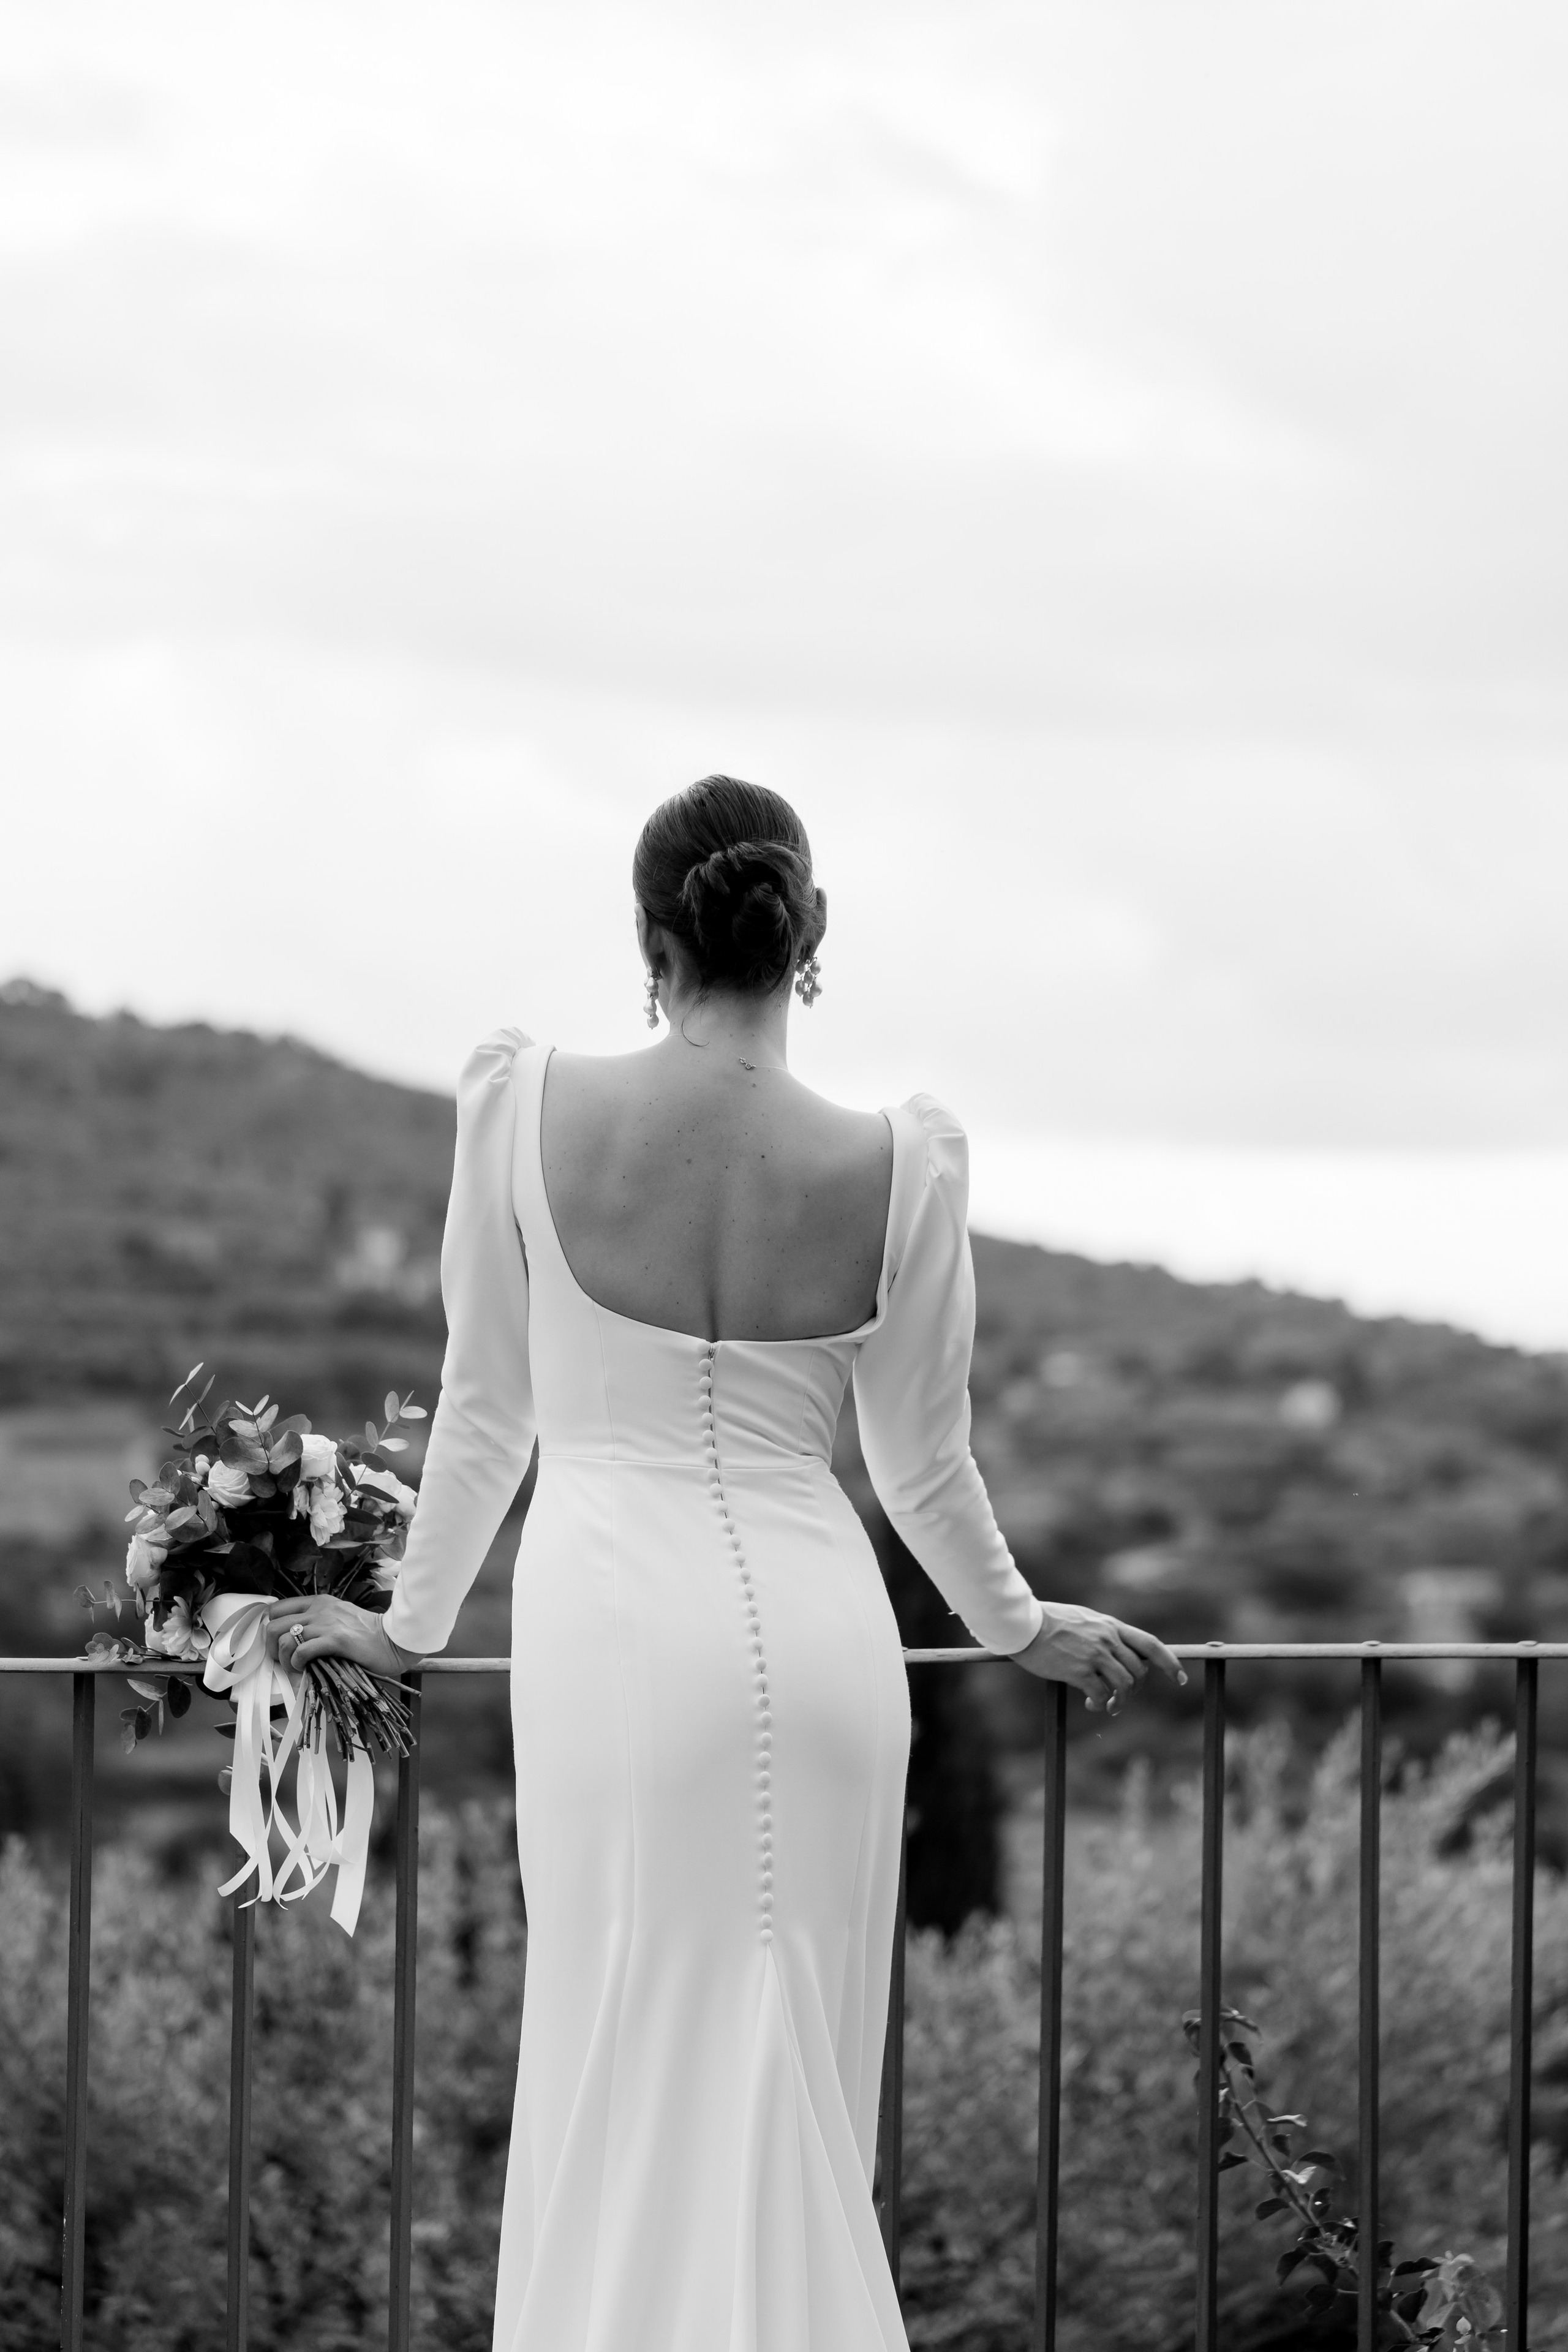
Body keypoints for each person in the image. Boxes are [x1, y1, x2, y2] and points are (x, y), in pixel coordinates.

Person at [268, 776, 1182, 2352]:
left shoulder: (524, 1103)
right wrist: (1015, 1624)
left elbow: (487, 1411)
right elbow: (921, 1464)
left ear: (649, 940)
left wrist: (408, 1627)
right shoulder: (901, 1159)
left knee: (621, 2048)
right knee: (799, 2075)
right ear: (807, 935)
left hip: (614, 1636)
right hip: (828, 1647)